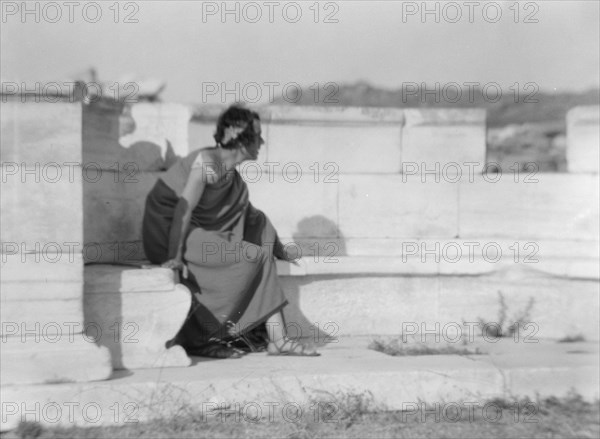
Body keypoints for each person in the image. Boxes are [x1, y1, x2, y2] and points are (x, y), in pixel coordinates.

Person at [142, 104, 319, 358]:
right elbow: (182, 209)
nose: (262, 141)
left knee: (262, 239)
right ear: (239, 136)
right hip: (168, 232)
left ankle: (278, 339)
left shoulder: (232, 177)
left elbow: (250, 215)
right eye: (257, 135)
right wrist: (175, 257)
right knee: (253, 258)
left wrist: (280, 248)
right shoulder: (207, 163)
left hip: (196, 232)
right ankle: (201, 339)